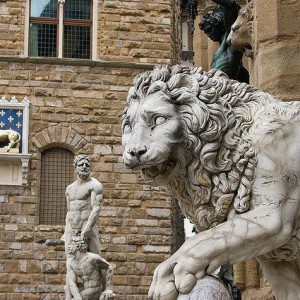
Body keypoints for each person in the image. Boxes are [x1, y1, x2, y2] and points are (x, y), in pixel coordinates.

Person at [199, 0, 249, 83]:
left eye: (209, 29)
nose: (209, 34)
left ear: (219, 25)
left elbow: (230, 4)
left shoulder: (232, 44)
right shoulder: (218, 53)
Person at [62, 154, 102, 255]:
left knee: (95, 258)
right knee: (70, 257)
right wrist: (66, 231)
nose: (84, 166)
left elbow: (96, 208)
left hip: (88, 226)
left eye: (87, 165)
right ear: (75, 167)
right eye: (81, 164)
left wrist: (87, 229)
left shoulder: (94, 185)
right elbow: (69, 211)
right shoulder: (69, 188)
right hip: (71, 228)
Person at [66, 236, 115, 300]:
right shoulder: (70, 262)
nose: (69, 246)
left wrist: (108, 289)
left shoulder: (92, 258)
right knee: (66, 288)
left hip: (95, 289)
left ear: (78, 246)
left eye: (72, 244)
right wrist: (77, 298)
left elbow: (108, 268)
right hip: (85, 288)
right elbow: (72, 283)